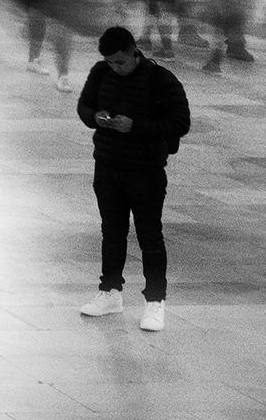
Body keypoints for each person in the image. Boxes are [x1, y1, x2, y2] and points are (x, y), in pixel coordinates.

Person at [76, 25, 190, 332]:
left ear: (133, 52)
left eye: (120, 62)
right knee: (111, 231)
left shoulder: (160, 79)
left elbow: (180, 122)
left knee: (149, 235)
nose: (116, 68)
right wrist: (95, 117)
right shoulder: (101, 73)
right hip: (107, 164)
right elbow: (84, 105)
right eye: (111, 63)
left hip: (146, 170)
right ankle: (110, 292)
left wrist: (136, 126)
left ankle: (155, 301)